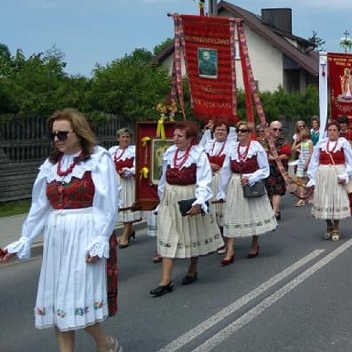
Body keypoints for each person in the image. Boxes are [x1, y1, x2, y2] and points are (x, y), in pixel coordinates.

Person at [1, 108, 122, 352]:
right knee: (59, 304)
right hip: (57, 237)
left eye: (62, 134)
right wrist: (24, 239)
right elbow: (40, 207)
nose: (57, 139)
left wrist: (100, 240)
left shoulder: (98, 158)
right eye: (53, 135)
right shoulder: (51, 164)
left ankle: (105, 344)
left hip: (86, 233)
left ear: (78, 132)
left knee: (78, 301)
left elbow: (108, 204)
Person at [151, 121, 223, 297]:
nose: (175, 139)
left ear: (190, 139)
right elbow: (163, 179)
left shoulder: (198, 155)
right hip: (170, 197)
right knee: (168, 234)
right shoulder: (169, 153)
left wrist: (199, 202)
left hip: (188, 196)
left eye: (179, 136)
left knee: (191, 233)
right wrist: (162, 200)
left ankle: (192, 268)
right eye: (174, 135)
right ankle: (165, 280)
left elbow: (204, 181)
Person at [218, 121, 276, 265]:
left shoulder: (256, 148)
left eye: (243, 131)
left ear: (249, 133)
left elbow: (265, 169)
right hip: (235, 183)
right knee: (231, 215)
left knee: (253, 213)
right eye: (238, 130)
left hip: (251, 183)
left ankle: (254, 243)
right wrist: (221, 190)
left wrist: (251, 178)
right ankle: (230, 250)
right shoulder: (232, 148)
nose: (239, 133)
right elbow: (226, 170)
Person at [306, 122, 352, 241]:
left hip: (337, 173)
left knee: (336, 200)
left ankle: (336, 227)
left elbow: (350, 162)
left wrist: (345, 175)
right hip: (323, 174)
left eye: (334, 130)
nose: (332, 132)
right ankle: (328, 224)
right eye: (330, 130)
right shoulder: (321, 143)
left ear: (339, 132)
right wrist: (312, 178)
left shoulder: (343, 143)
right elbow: (314, 162)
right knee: (324, 200)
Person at [200, 119, 235, 254]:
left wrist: (222, 168)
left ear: (227, 133)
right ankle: (217, 239)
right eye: (218, 129)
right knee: (213, 210)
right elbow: (201, 160)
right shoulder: (208, 145)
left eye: (223, 130)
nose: (220, 132)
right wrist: (209, 165)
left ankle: (227, 241)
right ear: (213, 132)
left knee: (224, 210)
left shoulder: (231, 146)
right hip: (210, 180)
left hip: (224, 180)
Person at [108, 127, 141, 248]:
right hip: (115, 182)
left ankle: (125, 235)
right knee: (119, 207)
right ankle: (130, 230)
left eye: (127, 137)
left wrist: (128, 171)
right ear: (118, 138)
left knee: (128, 206)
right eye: (123, 137)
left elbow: (138, 165)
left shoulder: (134, 150)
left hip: (128, 182)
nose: (125, 139)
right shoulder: (112, 151)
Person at [262, 120, 291, 221]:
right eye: (275, 129)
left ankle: (274, 212)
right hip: (266, 169)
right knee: (269, 190)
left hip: (279, 170)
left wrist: (274, 158)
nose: (277, 131)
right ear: (270, 130)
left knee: (277, 191)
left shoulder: (283, 141)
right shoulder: (264, 141)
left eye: (279, 129)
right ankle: (275, 210)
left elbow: (286, 154)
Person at [293, 127, 314, 207]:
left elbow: (311, 154)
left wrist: (307, 163)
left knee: (308, 179)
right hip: (301, 162)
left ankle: (310, 196)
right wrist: (295, 141)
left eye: (301, 135)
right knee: (300, 180)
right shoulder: (302, 143)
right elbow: (293, 148)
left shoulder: (309, 142)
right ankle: (302, 198)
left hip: (307, 163)